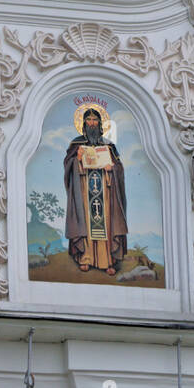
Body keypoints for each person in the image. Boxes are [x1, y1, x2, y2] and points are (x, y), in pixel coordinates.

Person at [63, 107, 128, 275]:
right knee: (85, 219)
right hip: (84, 189)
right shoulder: (76, 144)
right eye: (88, 120)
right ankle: (86, 258)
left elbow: (119, 169)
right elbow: (68, 166)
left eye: (95, 120)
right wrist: (77, 160)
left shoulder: (109, 146)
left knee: (106, 222)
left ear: (100, 123)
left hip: (105, 192)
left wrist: (112, 168)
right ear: (84, 123)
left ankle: (107, 261)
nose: (92, 123)